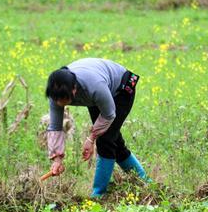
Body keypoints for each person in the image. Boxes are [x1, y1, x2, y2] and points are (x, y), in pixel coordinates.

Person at [44, 58, 148, 197]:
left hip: (121, 88)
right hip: (96, 98)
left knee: (105, 140)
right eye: (58, 101)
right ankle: (145, 182)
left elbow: (109, 114)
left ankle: (98, 195)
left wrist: (91, 138)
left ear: (74, 90)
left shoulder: (94, 86)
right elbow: (56, 127)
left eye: (65, 100)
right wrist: (57, 159)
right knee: (114, 142)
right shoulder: (55, 94)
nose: (60, 104)